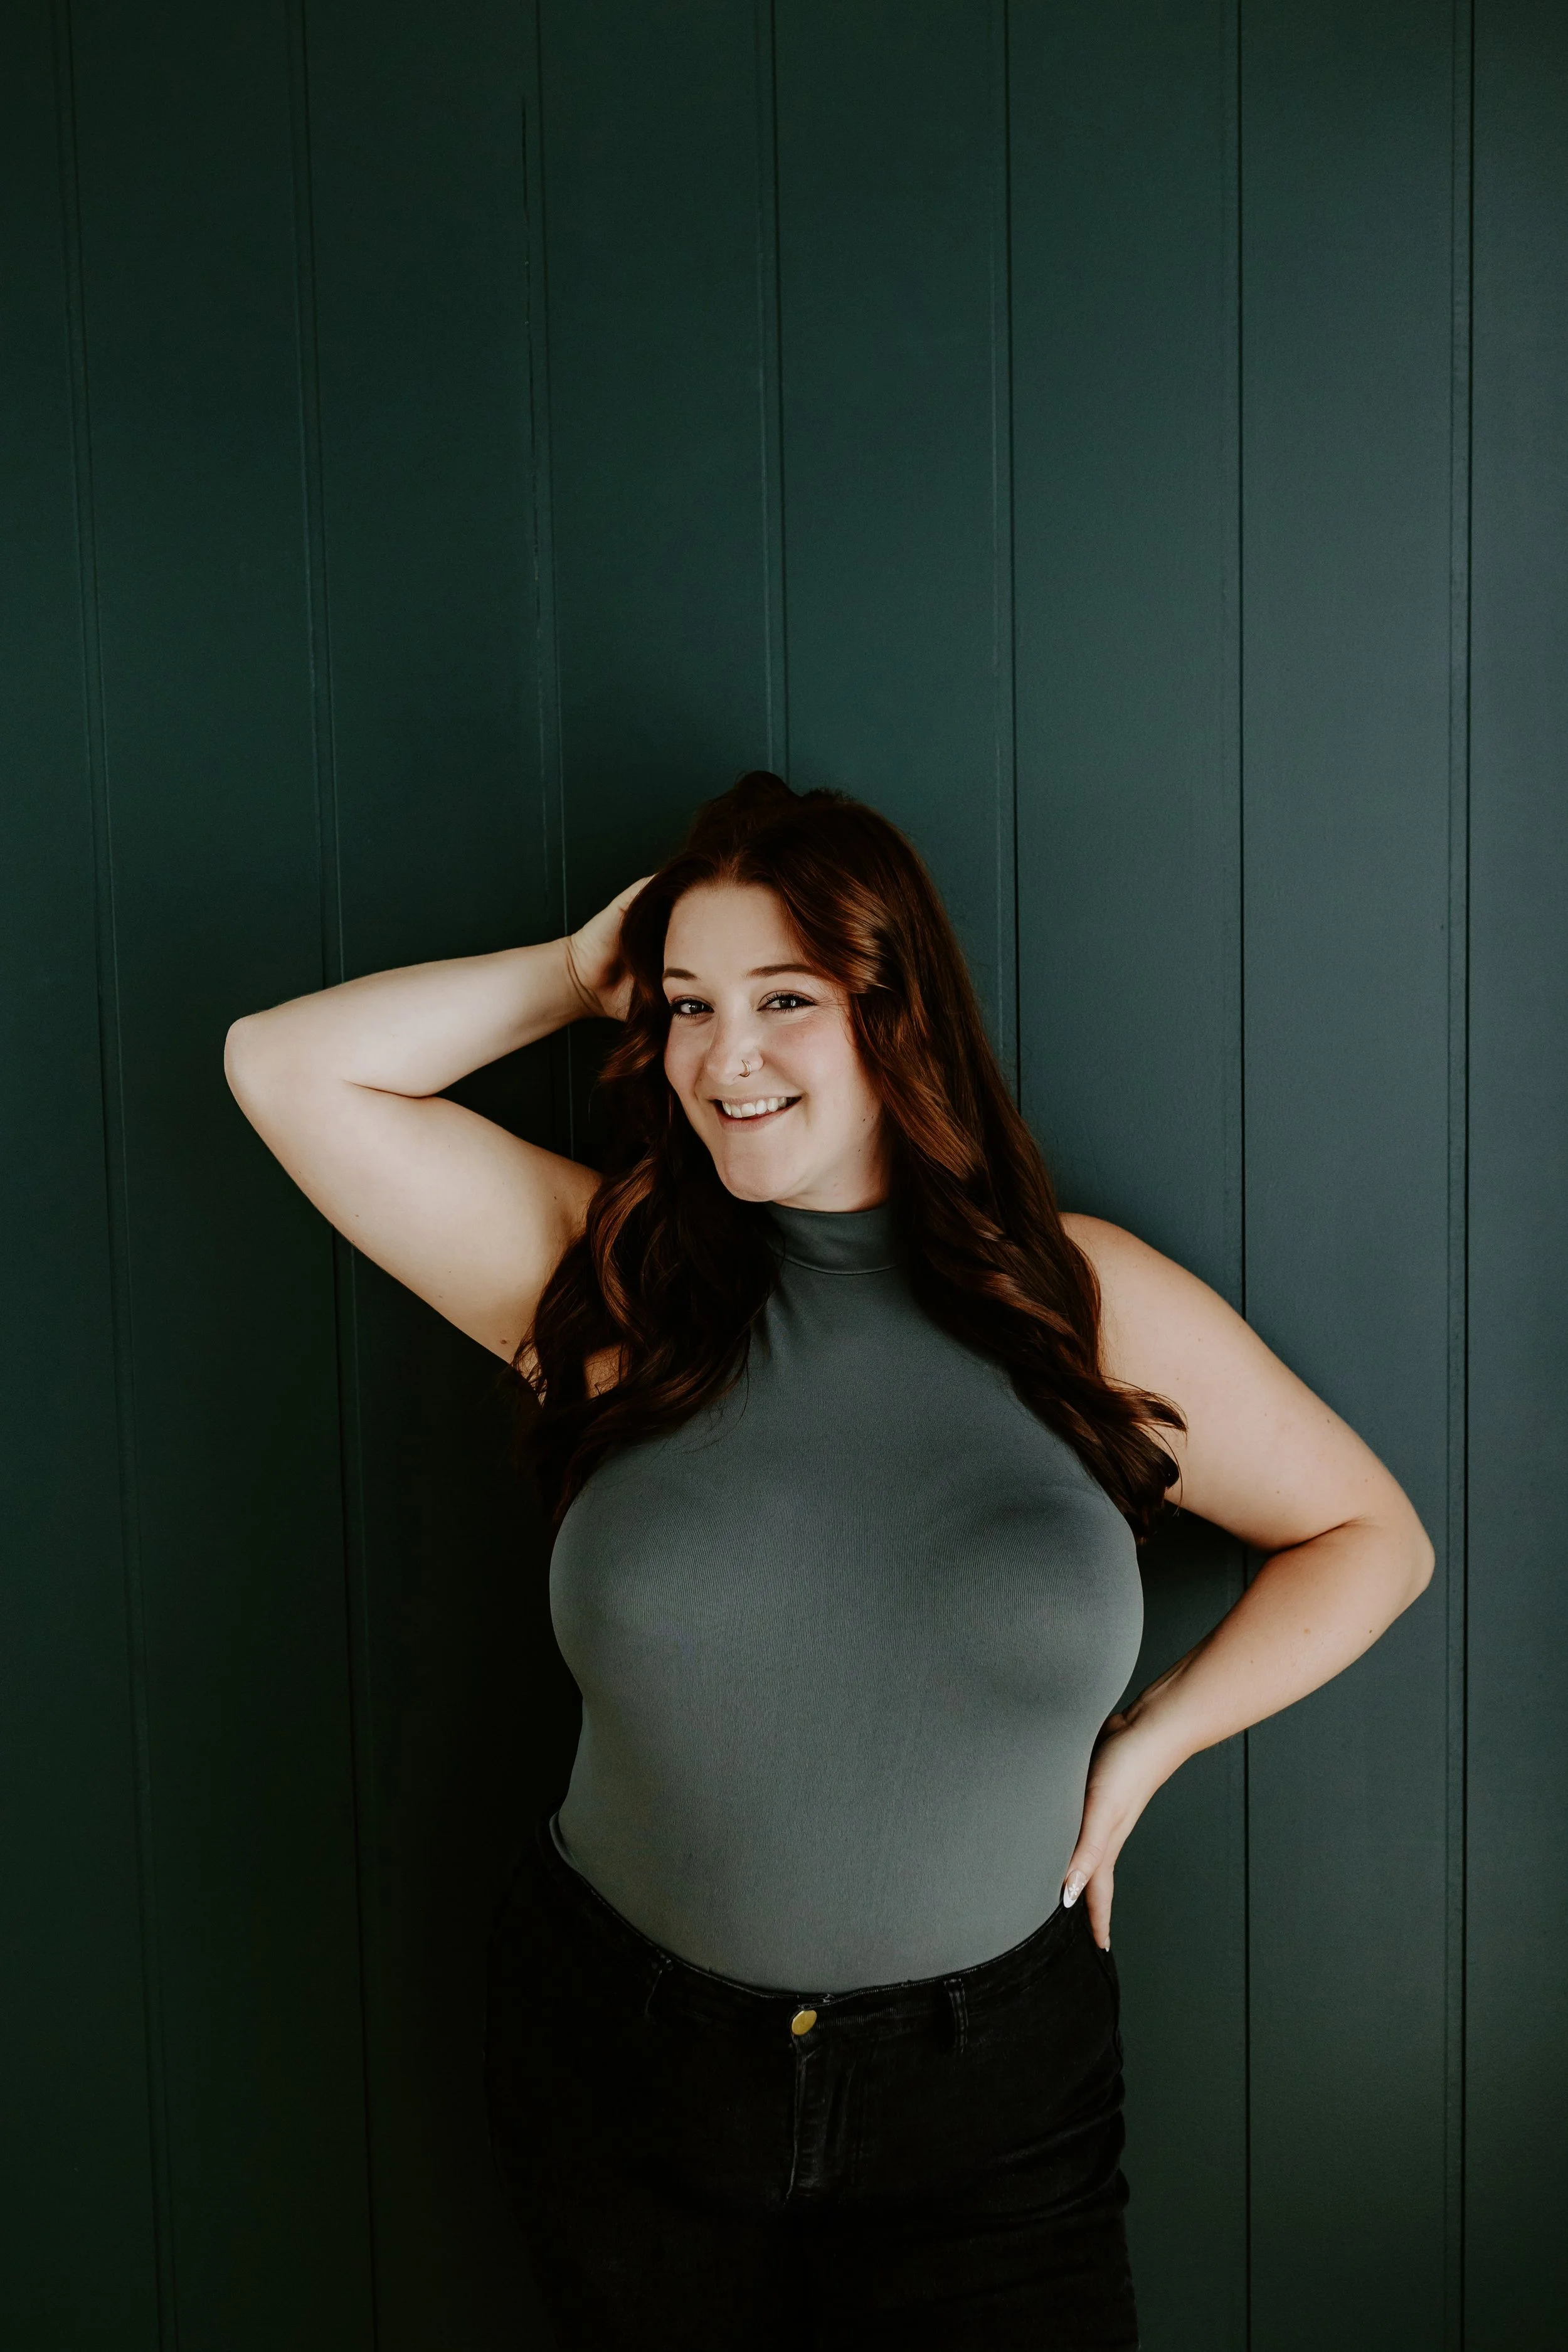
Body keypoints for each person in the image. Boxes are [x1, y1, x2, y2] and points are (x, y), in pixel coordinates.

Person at [225, 771, 1432, 2349]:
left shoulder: (1083, 1302)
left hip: (990, 2094)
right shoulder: (606, 1287)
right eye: (683, 1006)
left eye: (784, 998)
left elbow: (1368, 1540)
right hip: (627, 2062)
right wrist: (575, 969)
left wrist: (1147, 1745)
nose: (724, 1057)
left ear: (895, 1012)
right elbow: (285, 1069)